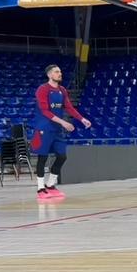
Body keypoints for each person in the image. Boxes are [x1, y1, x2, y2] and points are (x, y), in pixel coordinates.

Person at [32, 64, 91, 199]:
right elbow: (45, 111)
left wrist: (82, 119)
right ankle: (40, 189)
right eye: (57, 72)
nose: (60, 74)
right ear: (49, 75)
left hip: (57, 130)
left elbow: (69, 108)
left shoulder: (62, 90)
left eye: (60, 71)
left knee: (62, 156)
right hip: (44, 128)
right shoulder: (43, 89)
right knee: (43, 157)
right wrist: (63, 122)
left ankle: (51, 185)